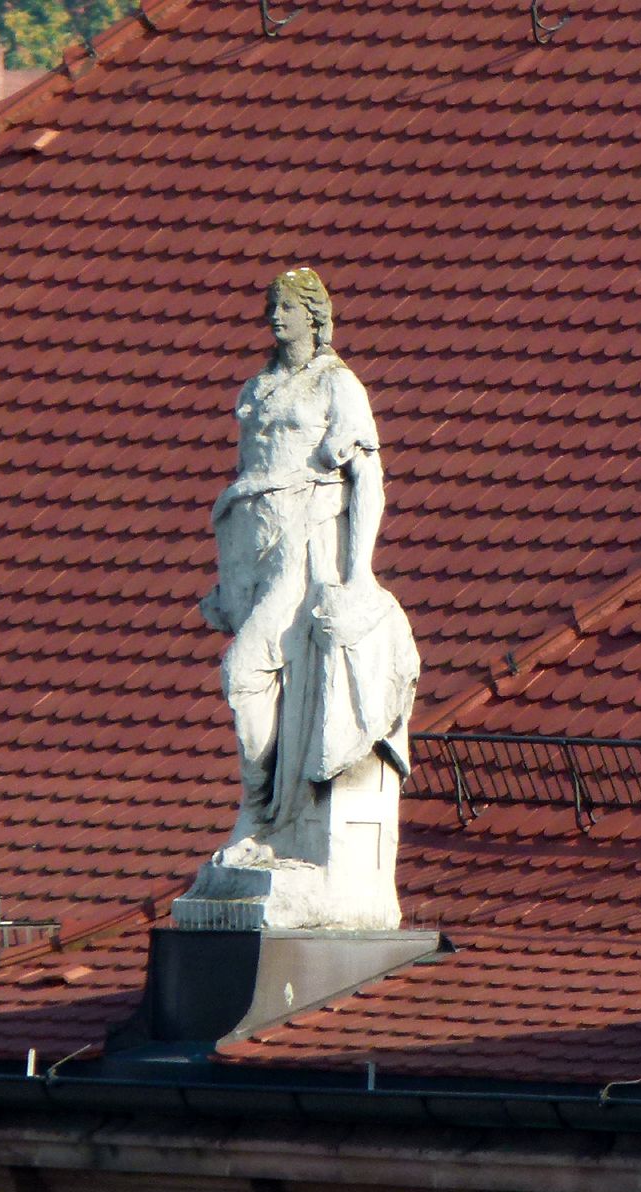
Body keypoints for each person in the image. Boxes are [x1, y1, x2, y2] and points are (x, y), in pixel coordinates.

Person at [199, 267, 417, 867]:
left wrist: (359, 572)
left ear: (315, 318)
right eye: (272, 306)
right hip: (254, 555)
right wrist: (230, 573)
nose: (277, 317)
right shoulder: (256, 389)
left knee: (244, 671)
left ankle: (261, 811)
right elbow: (248, 485)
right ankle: (265, 818)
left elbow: (366, 479)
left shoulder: (336, 386)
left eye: (289, 308)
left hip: (307, 548)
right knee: (261, 681)